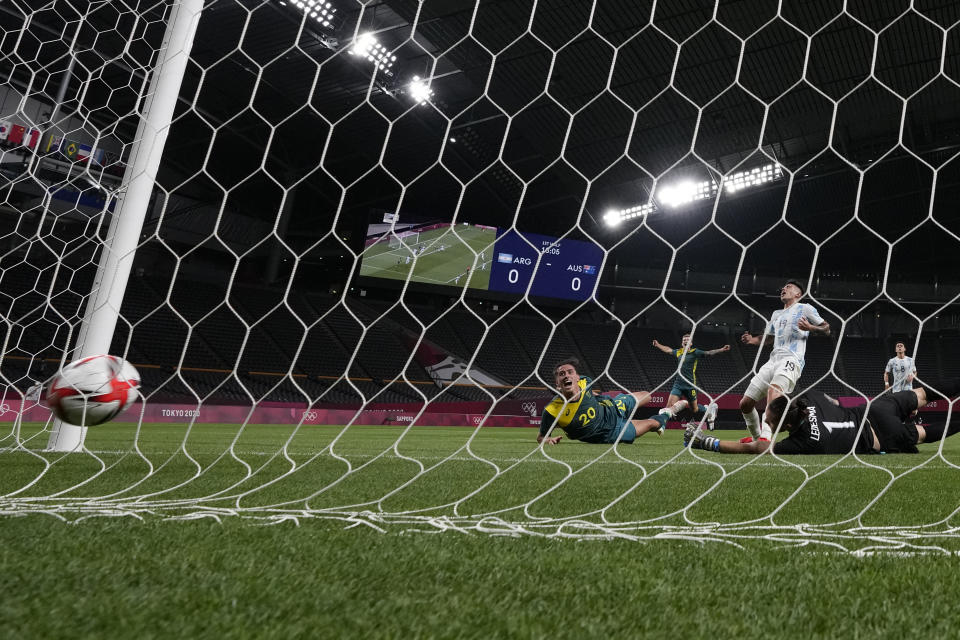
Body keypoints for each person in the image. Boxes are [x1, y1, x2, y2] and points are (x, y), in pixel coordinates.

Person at [683, 378, 960, 455]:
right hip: (875, 410)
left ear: (787, 425)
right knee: (923, 394)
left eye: (768, 420)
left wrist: (707, 442)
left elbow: (758, 447)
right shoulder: (807, 399)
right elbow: (831, 400)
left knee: (924, 433)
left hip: (878, 437)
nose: (766, 423)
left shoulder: (804, 442)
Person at [739, 279, 830, 442]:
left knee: (773, 391)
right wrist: (753, 340)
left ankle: (765, 438)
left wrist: (811, 328)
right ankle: (756, 438)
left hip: (791, 359)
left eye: (788, 287)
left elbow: (826, 328)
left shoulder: (805, 308)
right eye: (783, 287)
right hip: (773, 360)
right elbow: (769, 338)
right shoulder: (776, 314)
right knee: (745, 404)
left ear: (798, 294)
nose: (783, 289)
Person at [538, 358, 668, 445]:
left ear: (577, 377)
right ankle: (666, 413)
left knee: (647, 396)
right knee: (653, 423)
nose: (566, 375)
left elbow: (590, 393)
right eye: (561, 374)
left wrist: (602, 397)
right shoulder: (551, 411)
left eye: (570, 372)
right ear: (557, 384)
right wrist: (548, 440)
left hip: (611, 407)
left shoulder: (586, 381)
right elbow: (541, 437)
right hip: (612, 432)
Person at [652, 333, 729, 430]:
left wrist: (721, 349)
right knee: (668, 406)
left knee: (695, 409)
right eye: (684, 340)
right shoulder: (678, 352)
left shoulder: (695, 352)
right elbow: (668, 350)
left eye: (688, 340)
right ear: (682, 342)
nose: (686, 341)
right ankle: (661, 426)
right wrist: (658, 345)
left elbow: (709, 353)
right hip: (678, 384)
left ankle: (708, 408)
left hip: (690, 385)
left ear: (691, 343)